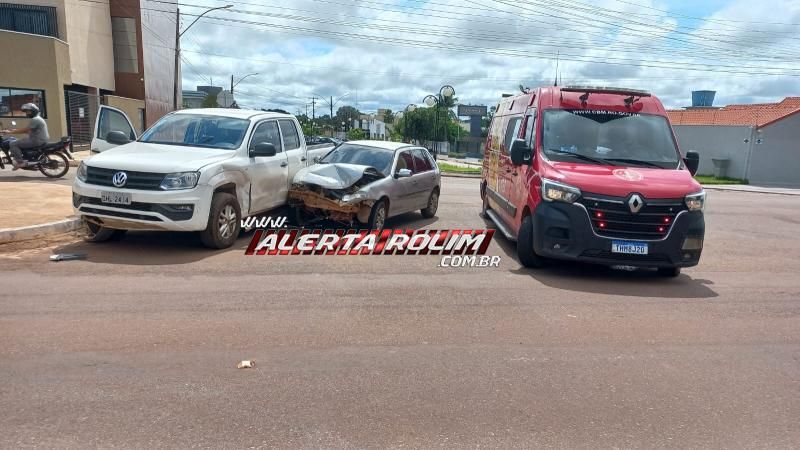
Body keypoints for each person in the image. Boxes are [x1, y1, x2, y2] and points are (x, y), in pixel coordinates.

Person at [3, 103, 49, 170]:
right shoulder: (38, 118)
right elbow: (27, 130)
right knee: (20, 141)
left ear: (33, 111)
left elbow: (25, 130)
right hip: (39, 139)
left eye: (28, 111)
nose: (27, 113)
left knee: (13, 143)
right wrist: (13, 130)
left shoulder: (35, 119)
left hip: (36, 140)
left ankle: (20, 162)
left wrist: (10, 132)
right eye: (26, 112)